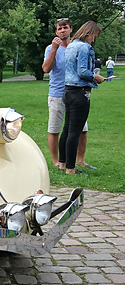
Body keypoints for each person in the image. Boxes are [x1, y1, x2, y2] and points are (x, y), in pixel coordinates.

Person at [42, 18, 93, 171]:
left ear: (71, 29)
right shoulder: (50, 48)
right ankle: (57, 161)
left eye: (65, 27)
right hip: (57, 92)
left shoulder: (76, 47)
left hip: (75, 92)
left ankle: (80, 160)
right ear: (56, 32)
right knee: (55, 129)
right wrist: (54, 49)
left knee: (81, 129)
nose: (62, 30)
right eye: (59, 29)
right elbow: (46, 69)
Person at [59, 21, 105, 175]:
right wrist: (95, 77)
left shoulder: (71, 45)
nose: (94, 40)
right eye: (94, 36)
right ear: (88, 33)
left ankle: (63, 163)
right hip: (80, 92)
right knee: (75, 131)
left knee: (67, 128)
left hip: (68, 90)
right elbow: (83, 71)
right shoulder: (85, 47)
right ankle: (71, 169)